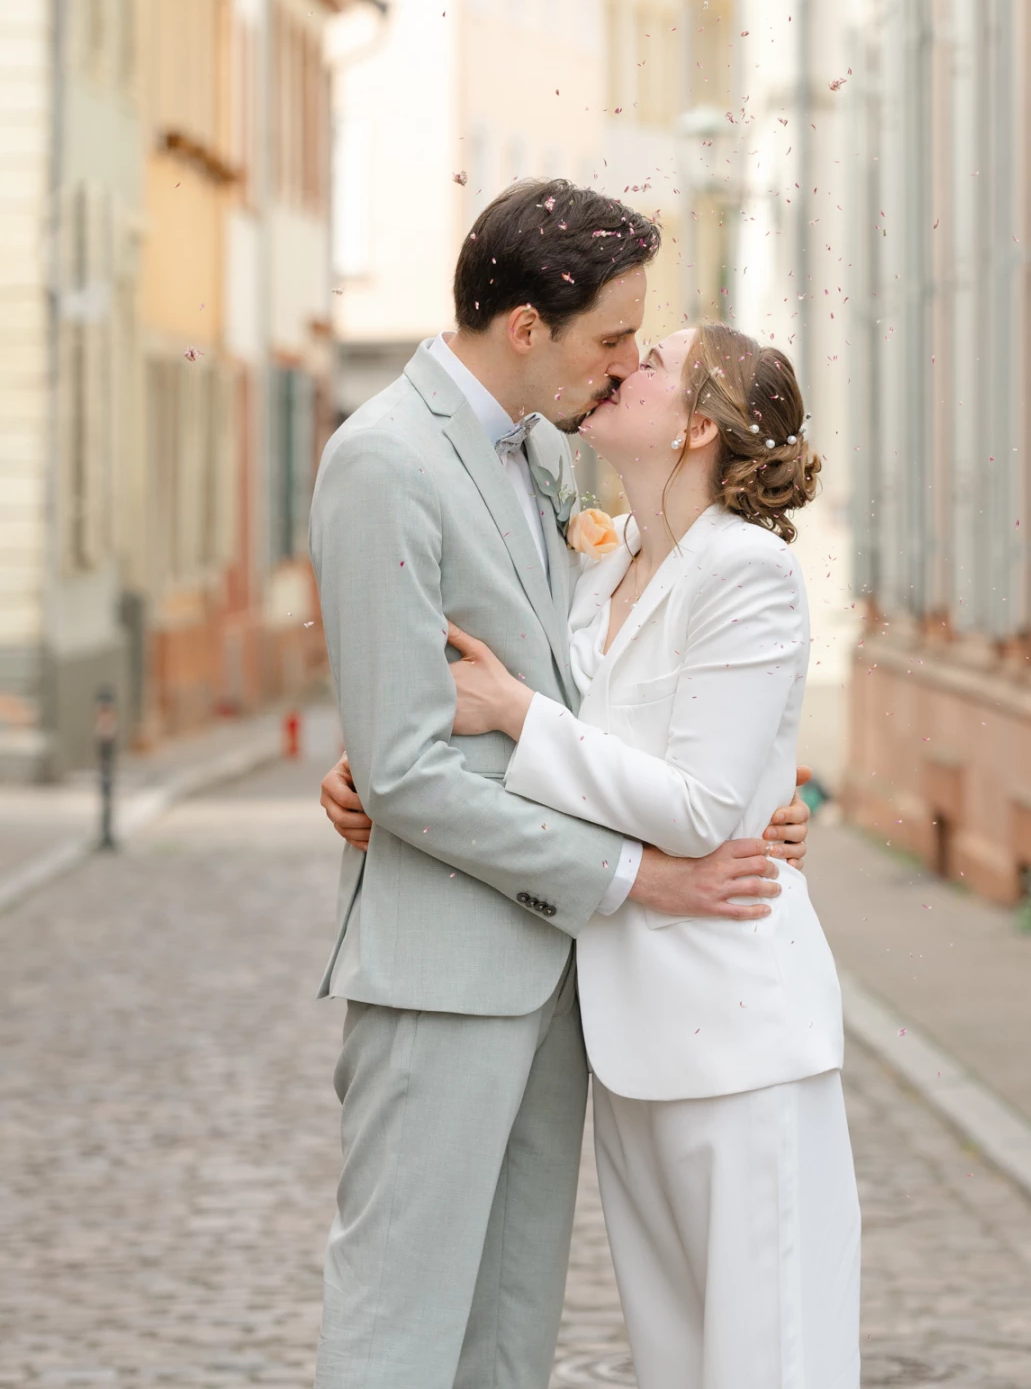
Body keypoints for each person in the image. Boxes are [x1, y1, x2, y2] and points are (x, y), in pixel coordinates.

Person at [308, 180, 812, 1389]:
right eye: (612, 341)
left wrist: (763, 804)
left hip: (563, 990)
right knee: (399, 1323)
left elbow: (604, 686)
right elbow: (410, 765)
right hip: (447, 973)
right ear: (526, 326)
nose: (629, 363)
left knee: (512, 1326)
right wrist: (637, 876)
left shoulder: (543, 454)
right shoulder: (381, 460)